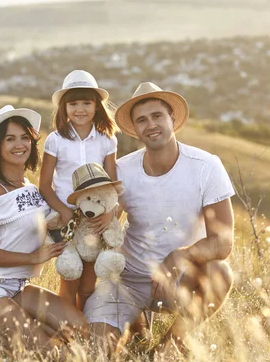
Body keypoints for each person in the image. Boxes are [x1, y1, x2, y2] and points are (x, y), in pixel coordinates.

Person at [84, 82, 236, 356]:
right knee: (95, 350)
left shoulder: (206, 166)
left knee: (220, 273)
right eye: (141, 120)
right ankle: (136, 325)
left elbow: (223, 242)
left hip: (180, 280)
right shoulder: (123, 170)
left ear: (173, 120)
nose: (150, 124)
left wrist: (180, 256)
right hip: (127, 280)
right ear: (135, 129)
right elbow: (104, 228)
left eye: (157, 116)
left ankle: (167, 349)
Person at [0, 105, 87, 353]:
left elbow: (50, 224)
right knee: (45, 353)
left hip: (17, 286)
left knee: (80, 330)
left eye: (24, 137)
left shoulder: (31, 188)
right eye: (10, 139)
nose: (19, 144)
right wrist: (31, 258)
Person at [39, 70, 119, 310]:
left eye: (87, 102)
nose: (80, 109)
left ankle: (81, 323)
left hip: (94, 220)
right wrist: (63, 212)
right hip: (66, 218)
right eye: (73, 103)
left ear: (97, 106)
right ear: (64, 108)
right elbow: (44, 185)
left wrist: (110, 213)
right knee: (70, 279)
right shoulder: (55, 140)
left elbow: (112, 184)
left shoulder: (107, 139)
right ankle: (67, 330)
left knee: (87, 284)